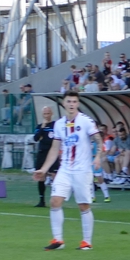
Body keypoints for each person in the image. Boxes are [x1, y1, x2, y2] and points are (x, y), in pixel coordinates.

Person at [32, 93, 100, 250]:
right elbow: (55, 148)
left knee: (83, 205)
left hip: (82, 170)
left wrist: (98, 156)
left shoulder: (86, 121)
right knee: (54, 201)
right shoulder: (59, 124)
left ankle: (86, 242)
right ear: (63, 103)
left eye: (74, 101)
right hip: (65, 169)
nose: (71, 104)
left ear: (78, 103)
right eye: (68, 101)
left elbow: (98, 139)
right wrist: (44, 169)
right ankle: (58, 240)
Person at [32, 104, 58, 207]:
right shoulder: (39, 126)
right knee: (41, 176)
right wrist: (42, 127)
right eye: (44, 114)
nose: (46, 115)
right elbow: (36, 138)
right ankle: (41, 200)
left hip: (53, 152)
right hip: (42, 153)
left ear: (51, 114)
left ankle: (55, 198)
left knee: (55, 176)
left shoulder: (55, 125)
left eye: (48, 113)